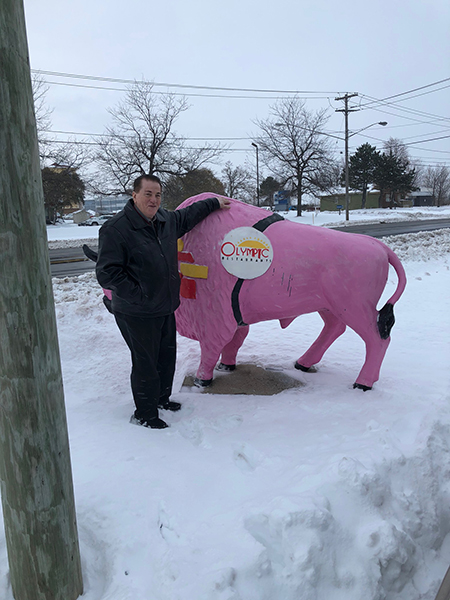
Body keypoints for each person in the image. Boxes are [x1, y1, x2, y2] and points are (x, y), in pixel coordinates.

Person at [96, 174, 230, 429]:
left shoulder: (166, 220)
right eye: (148, 194)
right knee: (145, 362)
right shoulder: (116, 229)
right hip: (136, 311)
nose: (154, 200)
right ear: (134, 195)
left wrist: (213, 203)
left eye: (157, 195)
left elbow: (188, 216)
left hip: (165, 306)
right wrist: (140, 294)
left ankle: (161, 399)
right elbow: (107, 272)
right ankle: (144, 414)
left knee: (166, 357)